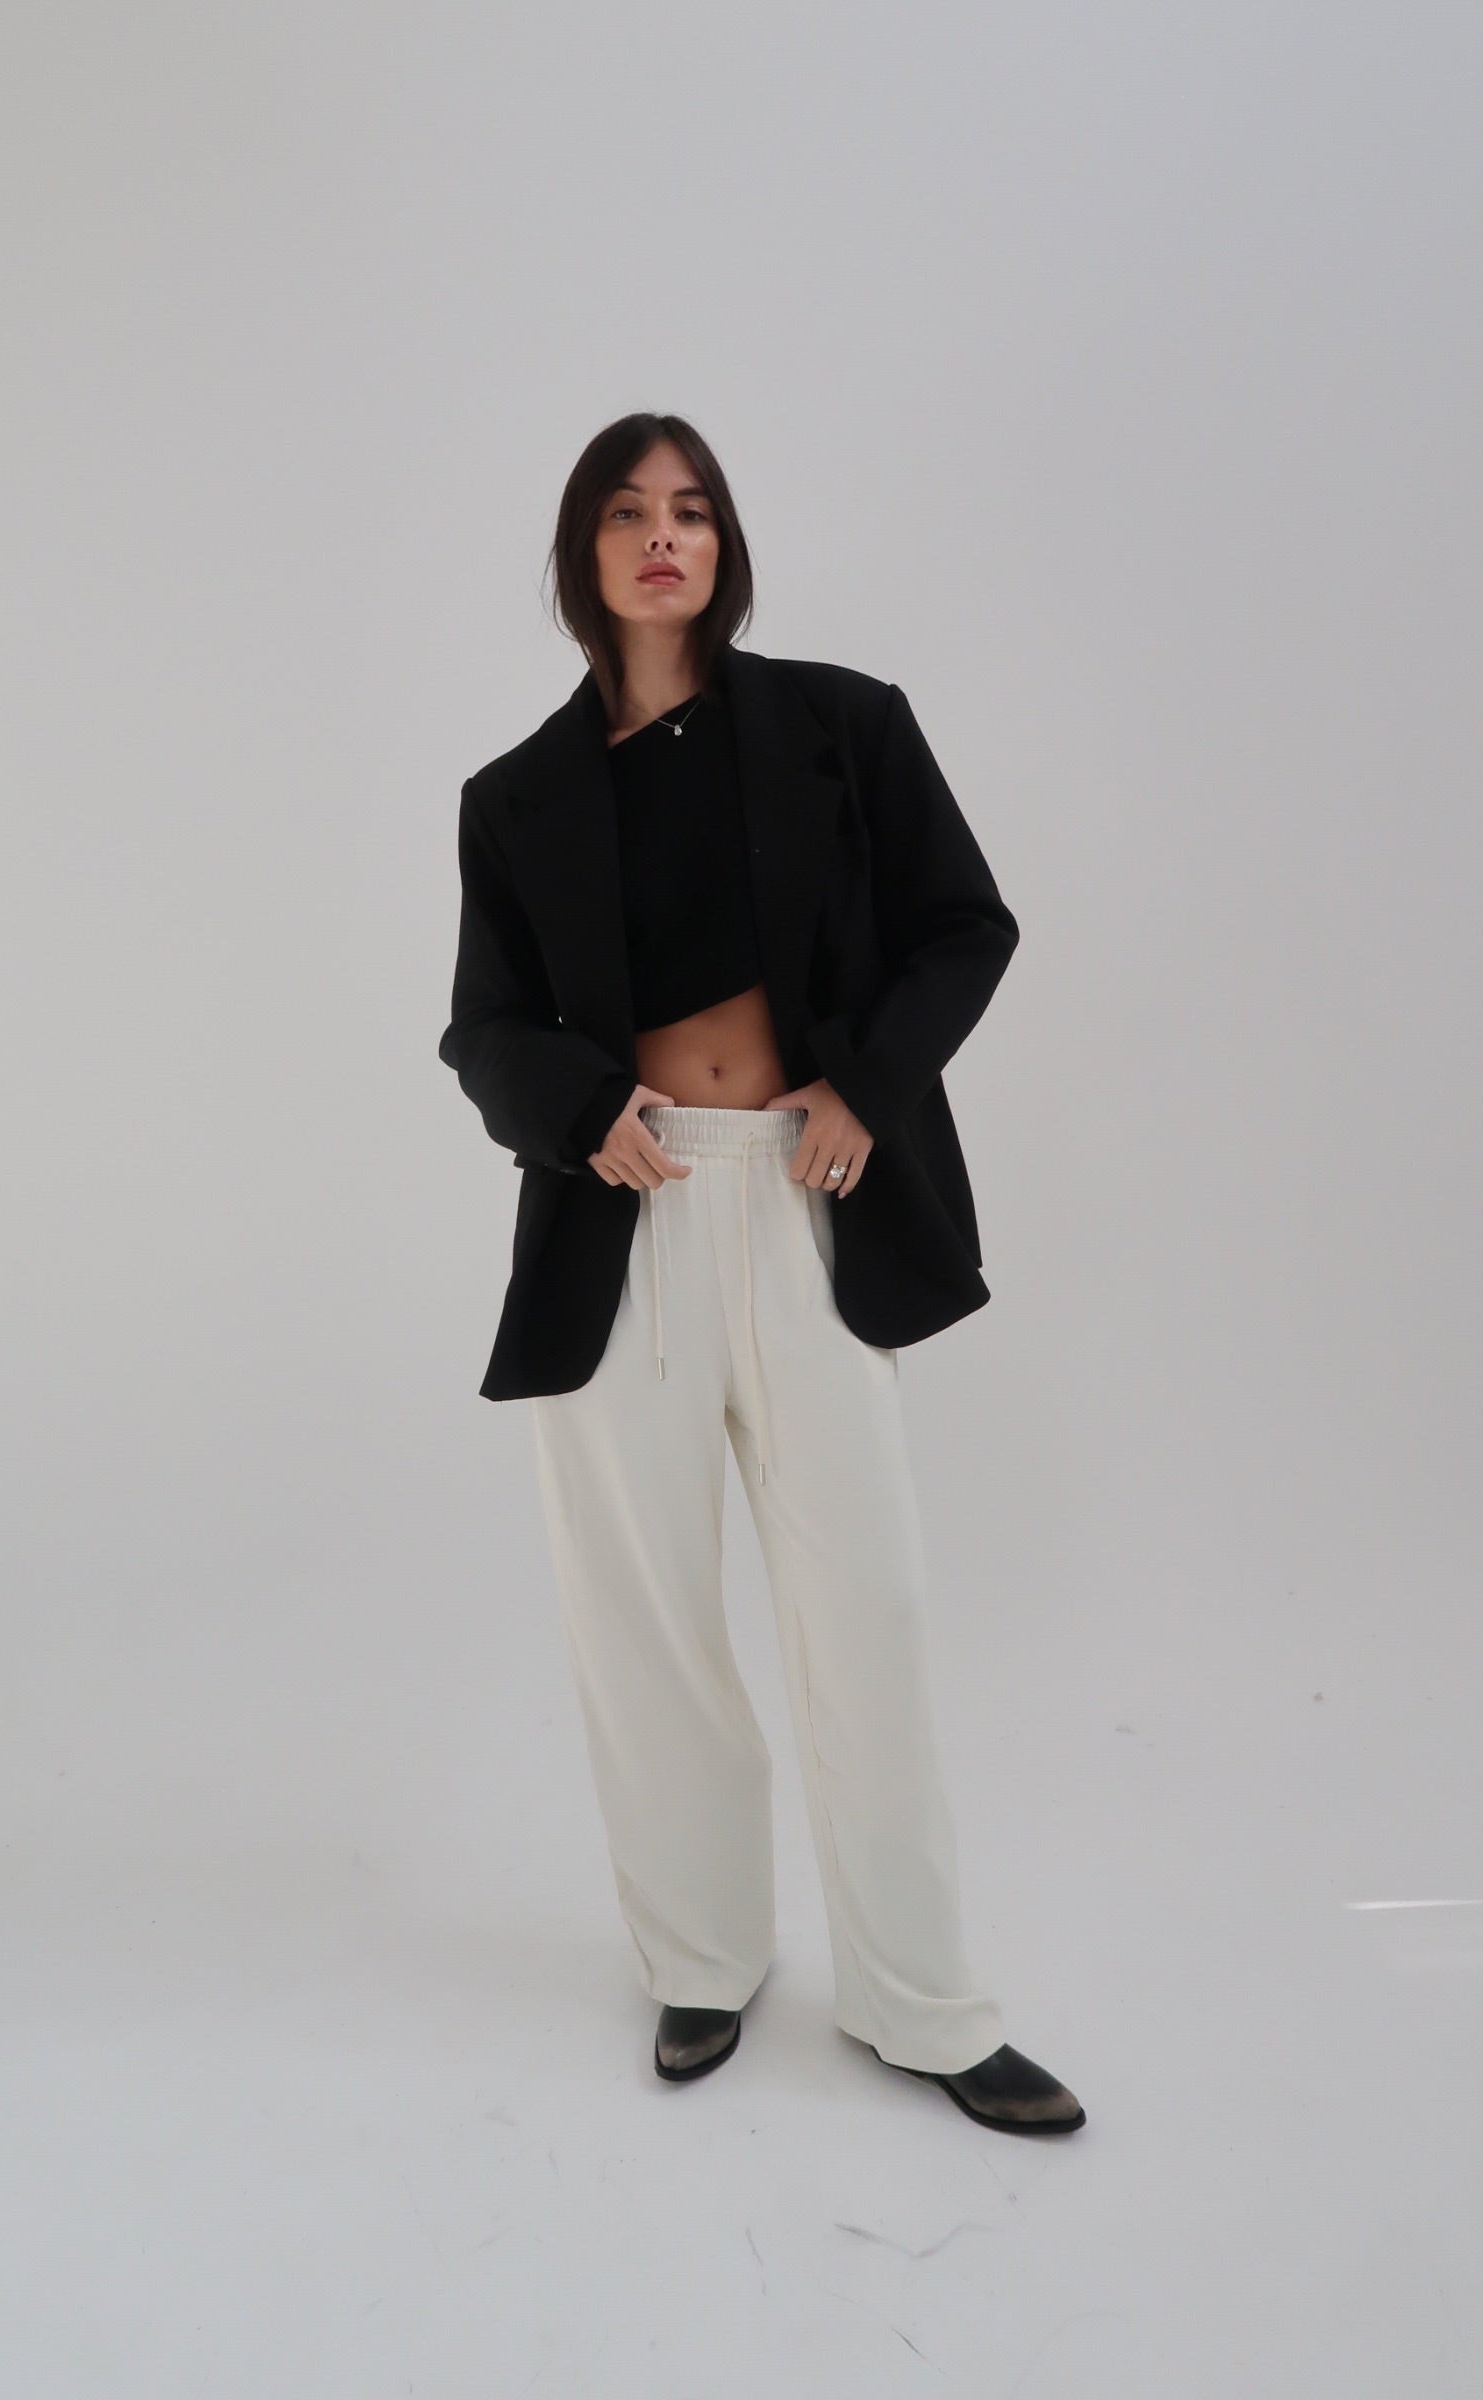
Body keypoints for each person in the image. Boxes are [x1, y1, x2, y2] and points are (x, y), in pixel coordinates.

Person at [438, 412, 1085, 2136]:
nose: (665, 536)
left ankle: (921, 2003)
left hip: (811, 1193)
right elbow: (481, 1026)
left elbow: (967, 926)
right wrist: (580, 1111)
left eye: (694, 509)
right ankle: (704, 1962)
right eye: (628, 512)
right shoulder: (514, 798)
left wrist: (864, 1084)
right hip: (625, 1216)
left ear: (725, 545)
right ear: (583, 552)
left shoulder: (842, 726)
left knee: (869, 1611)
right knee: (645, 1624)